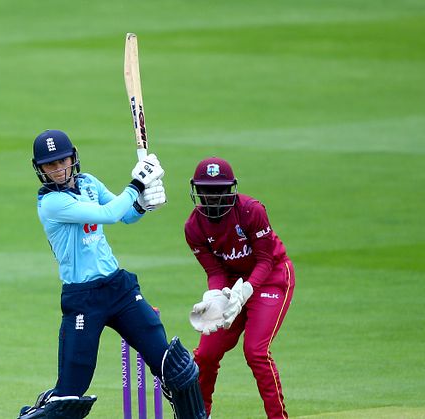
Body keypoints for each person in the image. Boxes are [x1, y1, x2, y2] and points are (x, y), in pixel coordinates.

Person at [17, 129, 206, 419]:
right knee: (68, 398)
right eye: (50, 165)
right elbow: (108, 215)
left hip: (119, 290)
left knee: (175, 368)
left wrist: (142, 202)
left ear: (73, 157)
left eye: (62, 161)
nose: (57, 169)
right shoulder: (51, 203)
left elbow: (126, 215)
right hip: (83, 300)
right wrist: (137, 184)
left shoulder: (88, 182)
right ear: (40, 168)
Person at [184, 157, 295, 419]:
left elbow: (266, 260)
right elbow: (215, 271)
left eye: (219, 190)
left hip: (272, 277)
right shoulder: (194, 227)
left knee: (255, 351)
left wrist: (247, 290)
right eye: (207, 191)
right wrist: (213, 297)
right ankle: (201, 415)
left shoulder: (251, 210)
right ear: (197, 191)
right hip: (230, 286)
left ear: (230, 189)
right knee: (207, 354)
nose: (213, 198)